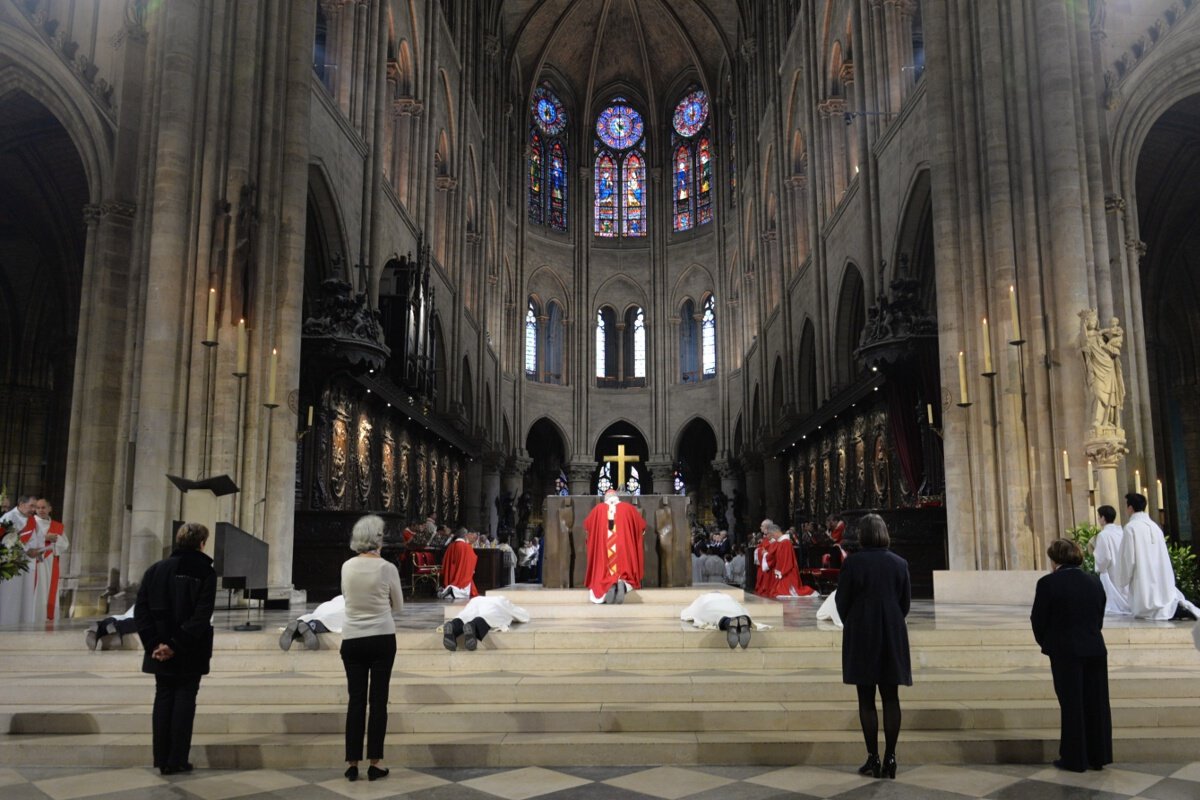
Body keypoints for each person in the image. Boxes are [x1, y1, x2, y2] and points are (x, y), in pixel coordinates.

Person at [134, 522, 217, 776]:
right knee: (184, 699)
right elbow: (202, 616)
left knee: (163, 697)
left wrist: (154, 645)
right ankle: (178, 758)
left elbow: (141, 611)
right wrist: (175, 645)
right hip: (189, 648)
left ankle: (162, 758)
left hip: (159, 647)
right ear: (202, 543)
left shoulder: (155, 569)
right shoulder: (205, 572)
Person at [836, 514, 911, 780]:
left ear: (862, 535)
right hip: (892, 630)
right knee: (891, 697)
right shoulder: (899, 563)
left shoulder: (853, 563)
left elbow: (841, 600)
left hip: (861, 631)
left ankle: (873, 757)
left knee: (866, 699)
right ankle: (891, 757)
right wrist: (890, 619)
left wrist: (854, 621)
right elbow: (905, 603)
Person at [1030, 538, 1112, 773]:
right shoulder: (1094, 581)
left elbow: (1038, 620)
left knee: (1072, 704)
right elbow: (1099, 615)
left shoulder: (1048, 583)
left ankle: (1074, 759)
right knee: (1096, 702)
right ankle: (1098, 756)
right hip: (1095, 648)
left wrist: (1048, 643)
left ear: (1055, 561)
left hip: (1066, 651)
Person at [340, 514, 404, 782]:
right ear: (377, 539)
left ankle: (352, 763)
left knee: (356, 701)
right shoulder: (386, 568)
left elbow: (346, 598)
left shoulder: (346, 566)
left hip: (352, 639)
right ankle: (375, 762)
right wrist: (380, 609)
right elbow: (399, 606)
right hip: (381, 638)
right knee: (378, 702)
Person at [1111, 493, 1199, 620]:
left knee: (1147, 607)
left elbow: (1128, 558)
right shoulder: (1155, 526)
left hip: (1143, 575)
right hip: (1160, 575)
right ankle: (1177, 609)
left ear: (1130, 508)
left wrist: (1122, 578)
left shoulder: (1130, 528)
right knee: (1161, 600)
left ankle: (1176, 611)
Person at [582, 489, 646, 604]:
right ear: (617, 497)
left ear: (605, 498)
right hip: (623, 548)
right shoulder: (628, 508)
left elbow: (587, 527)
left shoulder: (597, 509)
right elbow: (641, 527)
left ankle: (608, 585)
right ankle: (623, 584)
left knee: (602, 573)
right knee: (626, 571)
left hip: (604, 550)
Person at [0, 495, 43, 626]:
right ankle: (6, 624)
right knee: (10, 597)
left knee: (25, 598)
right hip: (11, 564)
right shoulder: (9, 517)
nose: (34, 510)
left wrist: (39, 550)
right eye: (32, 506)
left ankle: (22, 625)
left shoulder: (32, 521)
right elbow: (6, 541)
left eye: (35, 507)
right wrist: (27, 550)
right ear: (21, 504)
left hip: (28, 565)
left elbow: (38, 538)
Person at [442, 594, 531, 651]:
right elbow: (522, 615)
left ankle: (453, 626)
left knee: (465, 616)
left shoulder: (479, 599)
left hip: (475, 601)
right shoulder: (503, 600)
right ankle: (472, 626)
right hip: (494, 605)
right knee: (487, 618)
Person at [680, 591, 766, 649]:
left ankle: (728, 622)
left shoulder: (703, 598)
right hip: (731, 604)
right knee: (737, 611)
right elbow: (739, 604)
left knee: (714, 615)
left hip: (710, 604)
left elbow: (690, 611)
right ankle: (743, 621)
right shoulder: (727, 596)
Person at [1090, 505, 1131, 616]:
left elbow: (1104, 558)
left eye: (1099, 517)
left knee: (1113, 602)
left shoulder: (1103, 535)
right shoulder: (1121, 532)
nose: (1098, 520)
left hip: (1109, 572)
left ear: (1103, 518)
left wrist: (1095, 556)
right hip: (1123, 569)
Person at [34, 499, 69, 620]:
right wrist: (45, 537)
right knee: (36, 590)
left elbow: (65, 545)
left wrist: (56, 539)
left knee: (49, 589)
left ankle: (47, 616)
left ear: (50, 509)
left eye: (43, 507)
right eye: (38, 508)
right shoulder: (31, 523)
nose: (41, 510)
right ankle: (34, 615)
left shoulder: (57, 526)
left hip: (50, 562)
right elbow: (24, 542)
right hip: (35, 563)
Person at [279, 595, 347, 651]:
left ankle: (298, 624)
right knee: (336, 619)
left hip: (329, 604)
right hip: (345, 604)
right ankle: (312, 626)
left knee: (315, 615)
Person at [439, 528, 479, 599]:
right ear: (465, 536)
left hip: (451, 572)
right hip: (461, 573)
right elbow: (472, 559)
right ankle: (453, 590)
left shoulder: (451, 545)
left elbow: (445, 560)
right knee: (465, 591)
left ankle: (445, 589)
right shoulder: (466, 547)